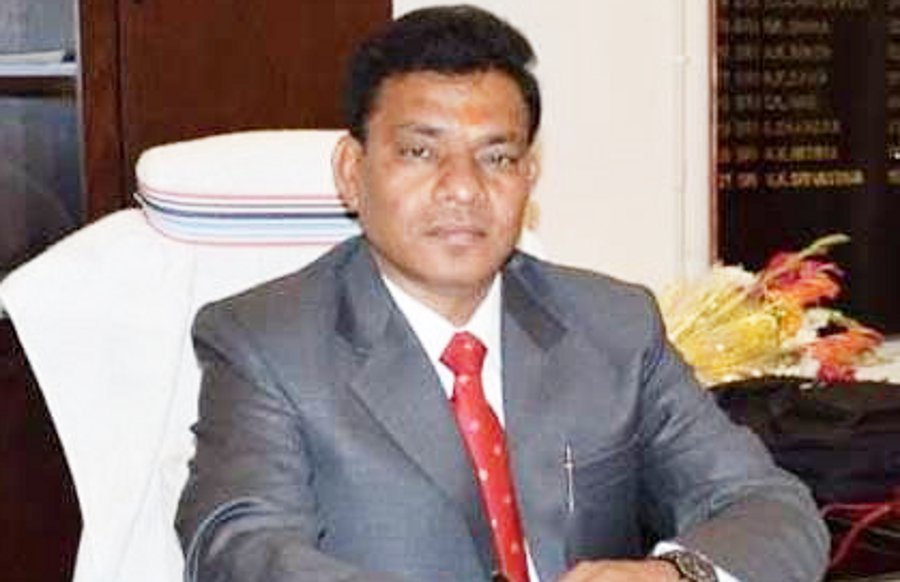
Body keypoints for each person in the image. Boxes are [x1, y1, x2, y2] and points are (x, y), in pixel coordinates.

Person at [176, 5, 829, 581]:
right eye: (420, 152)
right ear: (352, 172)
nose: (463, 188)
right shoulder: (266, 342)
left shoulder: (613, 326)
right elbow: (238, 548)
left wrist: (673, 574)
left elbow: (770, 507)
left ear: (528, 176)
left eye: (497, 157)